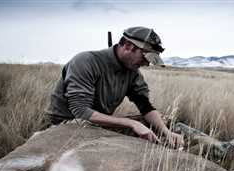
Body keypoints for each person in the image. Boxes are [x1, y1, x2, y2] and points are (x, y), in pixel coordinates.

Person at [46, 26, 184, 147]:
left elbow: (145, 107)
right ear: (128, 46)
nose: (146, 64)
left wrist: (166, 132)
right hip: (67, 126)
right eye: (145, 58)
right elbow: (81, 112)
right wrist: (132, 123)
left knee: (163, 122)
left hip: (97, 126)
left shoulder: (132, 72)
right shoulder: (85, 61)